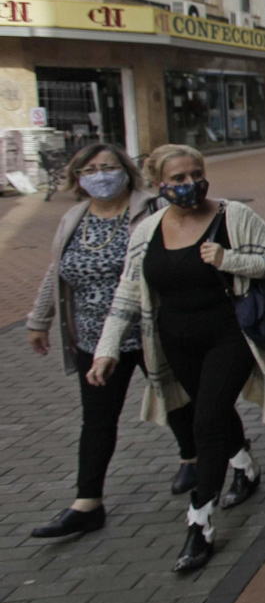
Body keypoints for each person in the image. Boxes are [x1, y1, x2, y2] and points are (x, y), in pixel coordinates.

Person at [90, 144, 265, 572]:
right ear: (158, 184)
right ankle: (244, 467)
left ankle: (199, 524)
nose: (189, 185)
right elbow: (128, 291)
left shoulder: (232, 216)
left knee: (205, 422)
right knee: (211, 413)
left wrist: (229, 259)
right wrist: (107, 349)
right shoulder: (146, 230)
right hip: (174, 340)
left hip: (230, 336)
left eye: (195, 174)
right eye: (177, 179)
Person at [25, 144, 199, 538]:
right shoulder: (74, 217)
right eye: (90, 169)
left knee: (174, 397)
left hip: (150, 329)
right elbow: (58, 270)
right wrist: (39, 320)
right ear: (78, 177)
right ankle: (87, 503)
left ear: (125, 171)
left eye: (108, 167)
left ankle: (193, 456)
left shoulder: (151, 208)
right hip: (92, 338)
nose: (100, 175)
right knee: (97, 419)